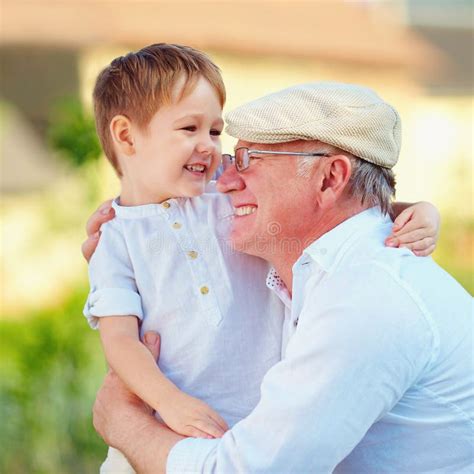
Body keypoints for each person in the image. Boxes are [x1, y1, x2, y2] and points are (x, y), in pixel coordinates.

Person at [86, 81, 473, 473]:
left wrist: (124, 423)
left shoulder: (367, 298)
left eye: (249, 160)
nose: (225, 181)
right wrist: (130, 233)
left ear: (329, 178)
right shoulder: (321, 275)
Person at [83, 43, 285, 473]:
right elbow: (120, 340)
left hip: (260, 424)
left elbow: (317, 209)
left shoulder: (229, 198)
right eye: (189, 128)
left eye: (214, 131)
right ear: (126, 136)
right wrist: (169, 403)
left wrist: (407, 212)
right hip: (167, 435)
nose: (208, 146)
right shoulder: (115, 239)